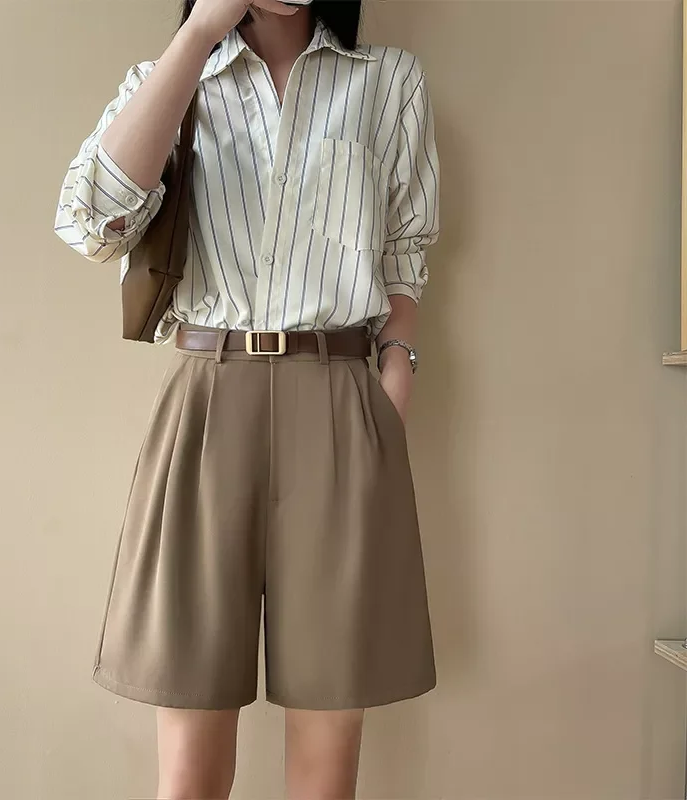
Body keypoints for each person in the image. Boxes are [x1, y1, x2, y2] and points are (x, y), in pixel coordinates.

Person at [54, 0, 440, 796]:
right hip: (207, 400)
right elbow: (89, 223)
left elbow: (406, 247)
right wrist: (198, 33)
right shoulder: (169, 80)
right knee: (189, 767)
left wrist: (395, 369)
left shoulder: (388, 80)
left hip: (339, 399)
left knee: (327, 762)